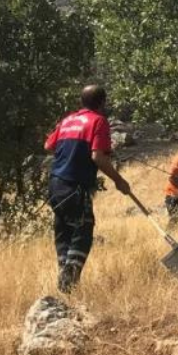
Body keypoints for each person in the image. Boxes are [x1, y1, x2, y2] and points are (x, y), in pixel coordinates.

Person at [44, 85, 130, 293]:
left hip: (55, 184)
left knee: (65, 230)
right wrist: (119, 181)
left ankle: (65, 280)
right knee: (84, 229)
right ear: (102, 103)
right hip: (75, 185)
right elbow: (98, 157)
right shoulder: (98, 121)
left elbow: (49, 146)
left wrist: (73, 149)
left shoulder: (68, 120)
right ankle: (69, 280)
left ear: (82, 101)